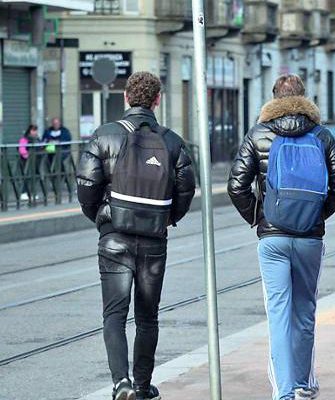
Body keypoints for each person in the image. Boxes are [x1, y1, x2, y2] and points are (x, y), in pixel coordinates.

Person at [227, 74, 335, 400]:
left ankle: (283, 392)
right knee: (305, 312)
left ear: (273, 98)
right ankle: (303, 385)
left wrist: (259, 217)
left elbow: (236, 185)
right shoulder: (322, 136)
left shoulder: (258, 134)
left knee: (278, 313)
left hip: (273, 239)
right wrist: (317, 216)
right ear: (304, 97)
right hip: (310, 238)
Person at [76, 71, 196, 400]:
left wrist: (104, 219)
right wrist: (165, 220)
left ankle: (121, 384)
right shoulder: (172, 141)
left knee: (114, 314)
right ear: (158, 100)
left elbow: (86, 187)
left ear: (126, 98)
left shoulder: (104, 135)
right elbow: (187, 190)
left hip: (114, 238)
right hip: (154, 241)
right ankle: (143, 386)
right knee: (147, 316)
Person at [18, 124, 39, 201]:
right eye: (33, 130)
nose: (35, 132)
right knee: (26, 176)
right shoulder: (24, 139)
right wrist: (27, 156)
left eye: (35, 130)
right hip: (26, 162)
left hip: (35, 161)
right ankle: (24, 192)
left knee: (35, 177)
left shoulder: (37, 139)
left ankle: (32, 192)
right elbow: (22, 149)